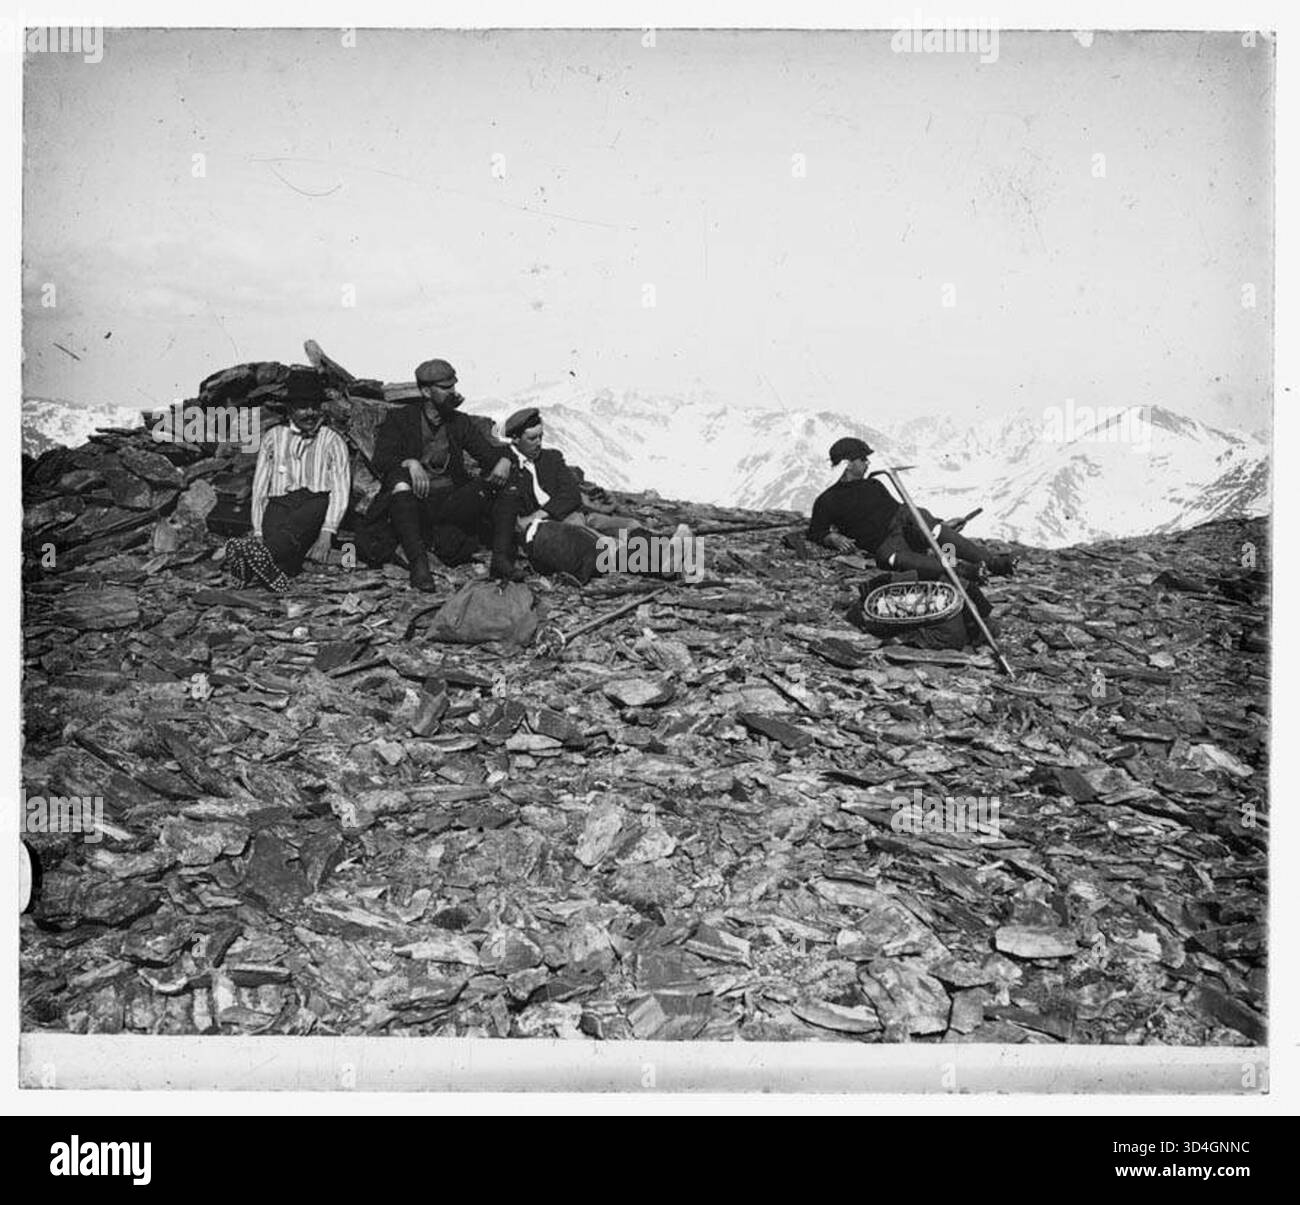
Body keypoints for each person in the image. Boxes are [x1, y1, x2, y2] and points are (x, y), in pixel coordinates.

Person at [355, 358, 521, 590]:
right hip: (414, 504)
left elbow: (488, 454)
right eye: (445, 388)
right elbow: (382, 460)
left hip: (450, 502)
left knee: (508, 481)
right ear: (425, 391)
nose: (453, 392)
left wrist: (506, 459)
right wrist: (410, 462)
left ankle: (501, 560)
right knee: (400, 483)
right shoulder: (401, 419)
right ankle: (418, 564)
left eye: (453, 386)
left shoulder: (459, 422)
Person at [499, 407, 695, 578]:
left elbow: (571, 493)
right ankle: (661, 565)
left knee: (627, 526)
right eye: (532, 438)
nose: (539, 443)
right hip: (550, 528)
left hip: (573, 513)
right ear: (515, 439)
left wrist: (539, 513)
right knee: (603, 543)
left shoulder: (551, 458)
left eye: (541, 436)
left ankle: (669, 551)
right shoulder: (506, 466)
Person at [807, 437, 1015, 579]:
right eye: (862, 459)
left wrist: (940, 524)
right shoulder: (827, 500)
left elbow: (900, 511)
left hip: (905, 523)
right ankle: (962, 570)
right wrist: (831, 538)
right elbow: (816, 531)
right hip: (885, 544)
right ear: (848, 463)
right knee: (892, 559)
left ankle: (992, 562)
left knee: (935, 532)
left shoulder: (873, 484)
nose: (867, 463)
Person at [224, 367, 352, 591]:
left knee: (292, 533)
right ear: (290, 409)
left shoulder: (332, 441)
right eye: (303, 407)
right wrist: (258, 531)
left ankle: (247, 562)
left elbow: (341, 489)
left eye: (314, 406)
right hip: (280, 502)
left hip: (314, 501)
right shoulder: (274, 437)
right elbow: (261, 486)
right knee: (287, 558)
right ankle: (259, 564)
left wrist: (327, 532)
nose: (310, 413)